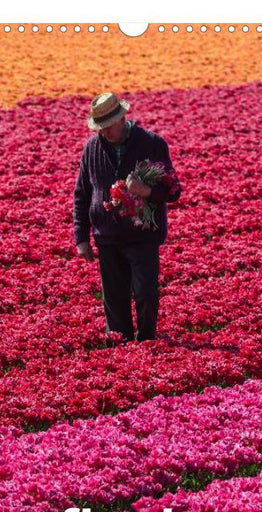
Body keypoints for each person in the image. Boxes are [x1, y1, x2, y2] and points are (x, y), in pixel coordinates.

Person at [72, 93, 181, 342]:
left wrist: (146, 191)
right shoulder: (92, 148)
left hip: (142, 235)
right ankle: (121, 353)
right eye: (100, 127)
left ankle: (146, 342)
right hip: (107, 236)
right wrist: (81, 237)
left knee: (145, 293)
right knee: (114, 300)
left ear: (122, 118)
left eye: (108, 126)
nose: (104, 132)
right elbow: (82, 193)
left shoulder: (152, 144)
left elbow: (174, 191)